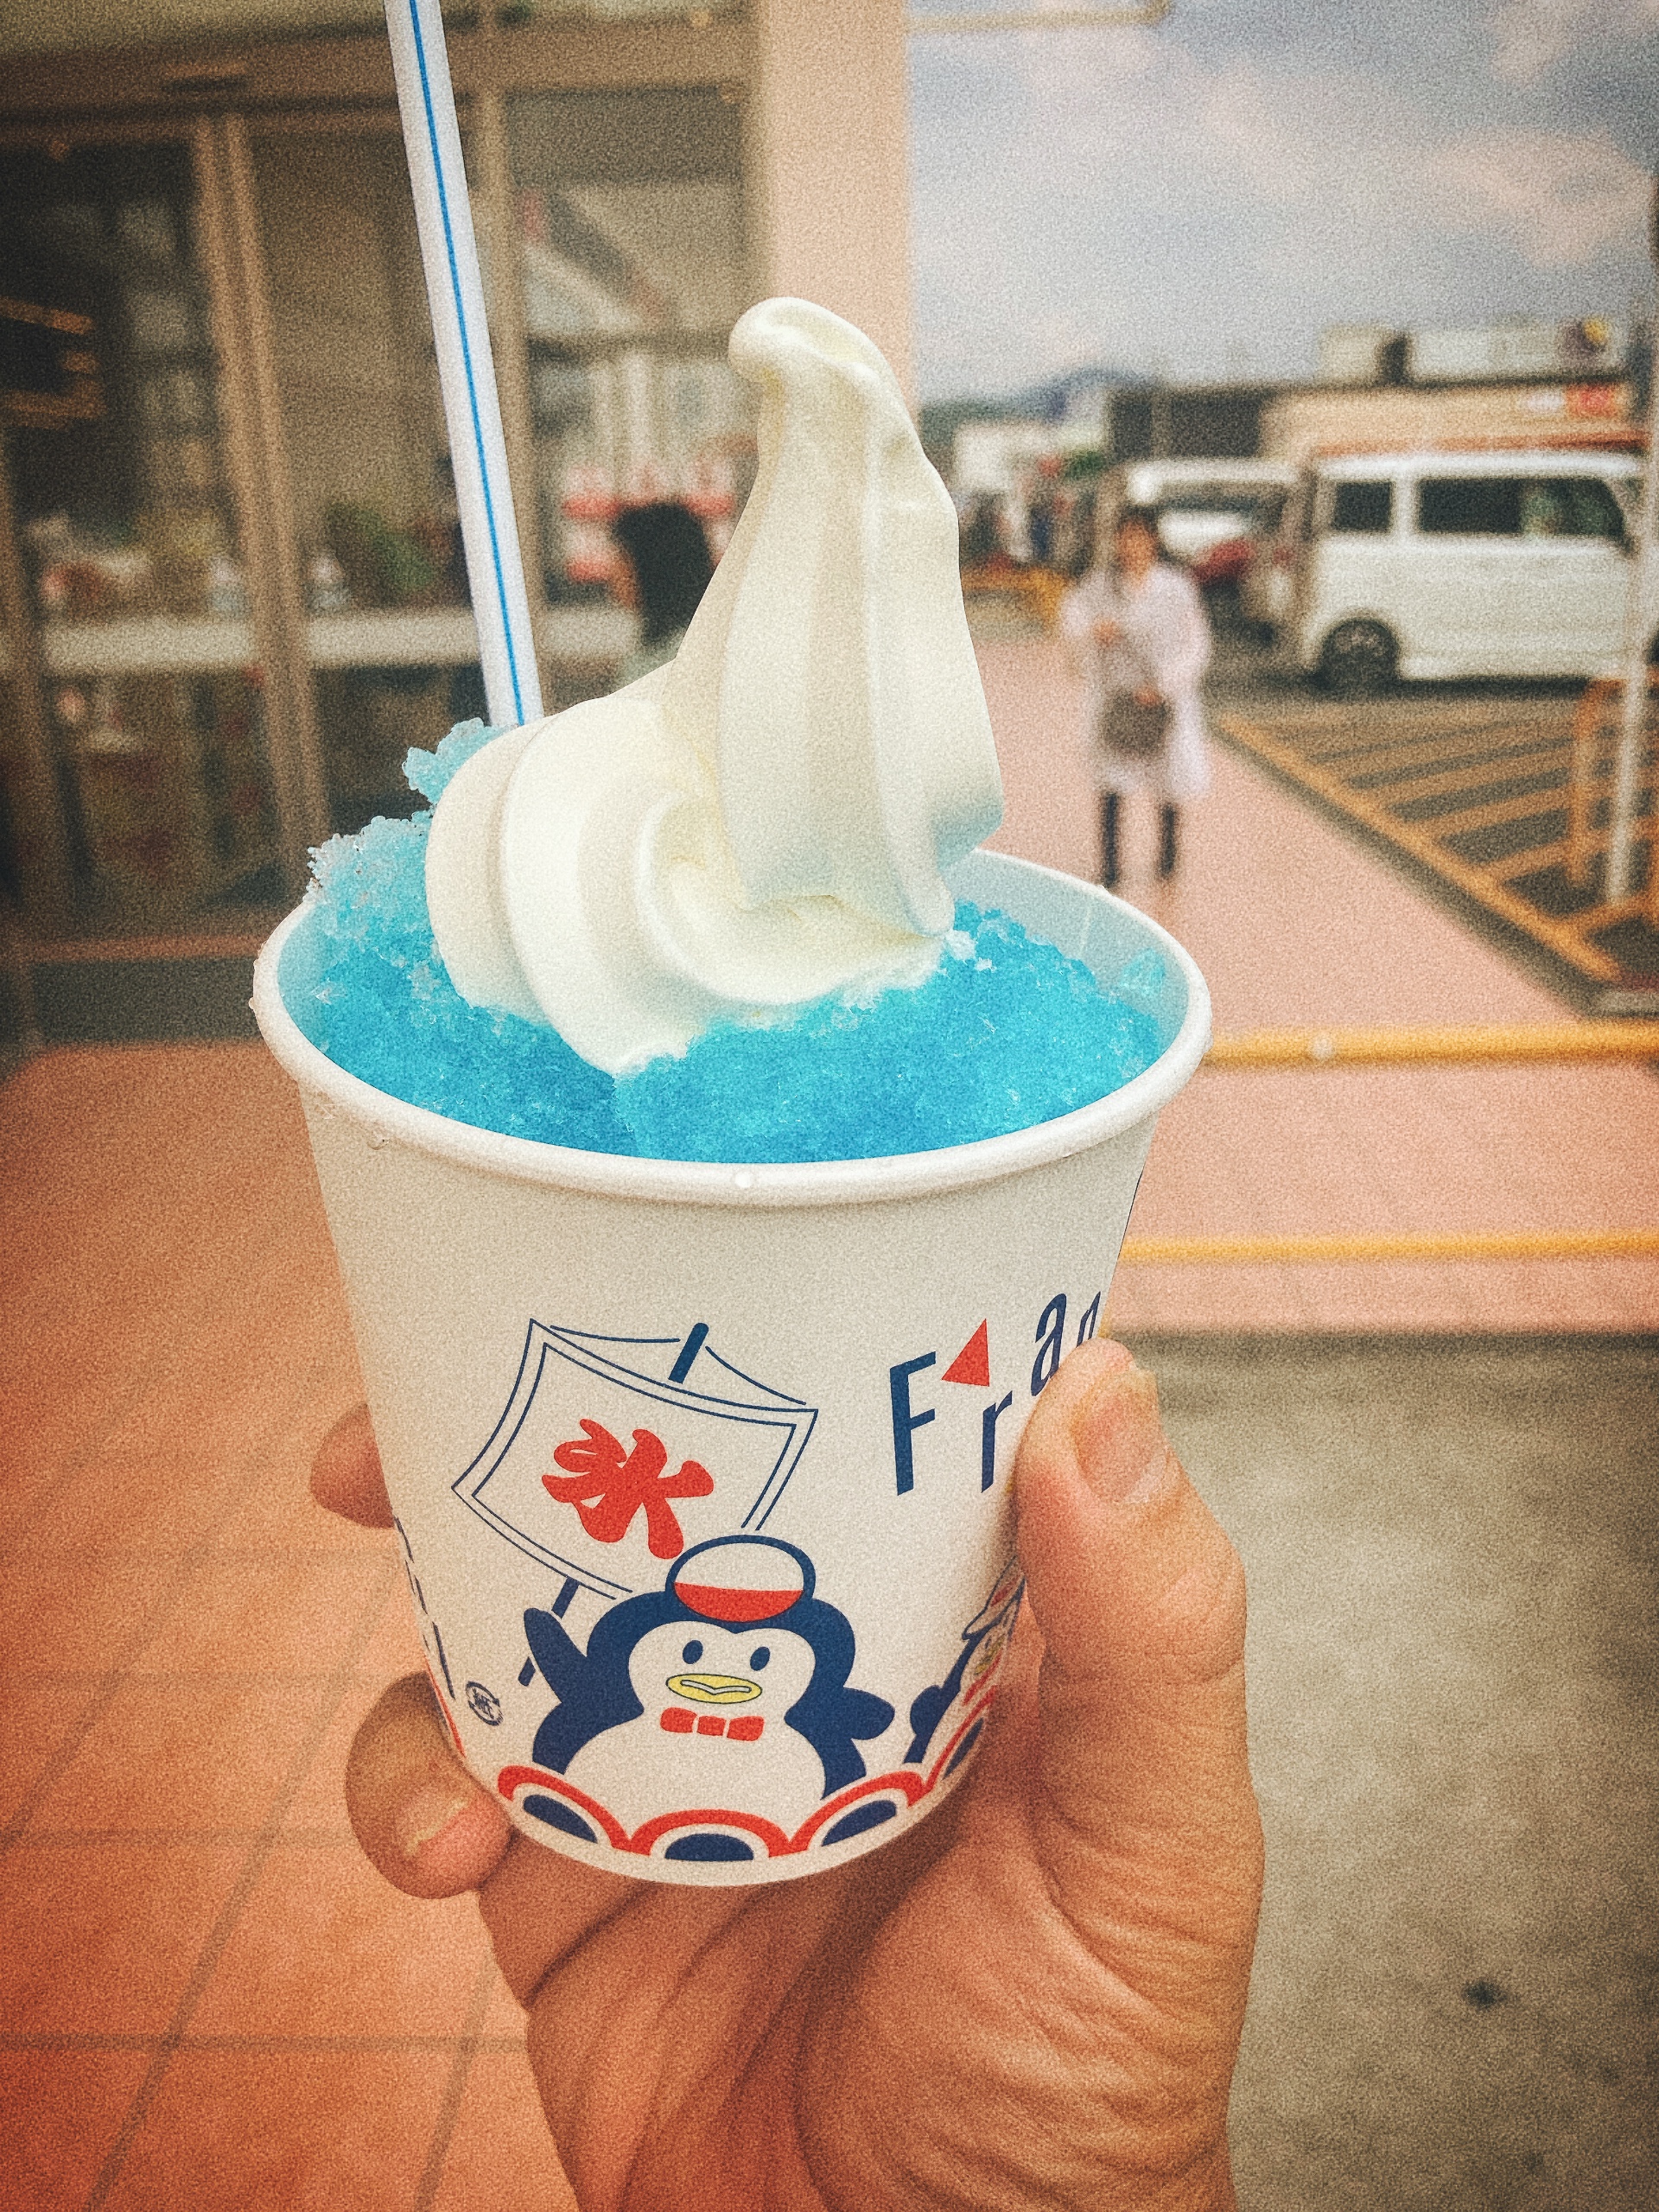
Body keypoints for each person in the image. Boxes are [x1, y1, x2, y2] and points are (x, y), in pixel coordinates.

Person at [313, 1338, 1262, 2210]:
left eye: (763, 1657)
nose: (721, 1671)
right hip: (633, 1887)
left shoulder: (833, 1732)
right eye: (692, 1646)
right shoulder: (615, 1697)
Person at [1063, 505, 1212, 890]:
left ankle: (1168, 855)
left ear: (1154, 540)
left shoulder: (1176, 587)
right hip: (1116, 699)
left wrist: (1163, 686)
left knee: (1168, 781)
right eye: (1125, 537)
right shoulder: (1099, 586)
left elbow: (1196, 645)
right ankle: (1110, 864)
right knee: (1112, 781)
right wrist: (1094, 633)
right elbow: (1073, 624)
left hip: (1163, 700)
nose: (1132, 545)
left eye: (1140, 537)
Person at [611, 500, 715, 688]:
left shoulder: (679, 656)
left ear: (652, 568)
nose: (613, 573)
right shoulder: (661, 646)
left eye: (622, 560)